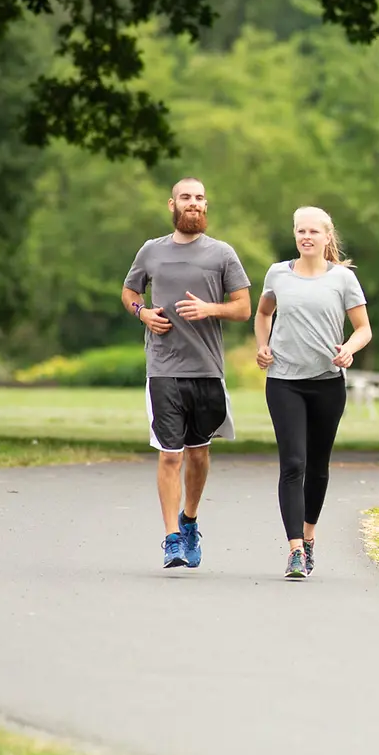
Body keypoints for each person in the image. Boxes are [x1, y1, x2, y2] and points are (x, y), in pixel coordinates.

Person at [122, 178, 251, 569]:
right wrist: (141, 313)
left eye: (198, 198)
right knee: (169, 456)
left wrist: (211, 310)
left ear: (206, 205)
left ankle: (189, 520)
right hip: (163, 369)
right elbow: (130, 292)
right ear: (172, 205)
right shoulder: (151, 251)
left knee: (198, 454)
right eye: (185, 198)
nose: (192, 204)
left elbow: (244, 308)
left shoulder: (222, 254)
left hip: (208, 369)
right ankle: (172, 539)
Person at [255, 206, 371, 579]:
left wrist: (349, 349)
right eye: (300, 231)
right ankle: (293, 552)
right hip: (284, 381)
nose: (306, 237)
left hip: (327, 384)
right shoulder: (277, 274)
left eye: (313, 232)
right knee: (293, 464)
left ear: (326, 237)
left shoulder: (342, 279)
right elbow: (263, 314)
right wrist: (263, 345)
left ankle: (308, 538)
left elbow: (363, 329)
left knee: (318, 467)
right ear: (295, 235)